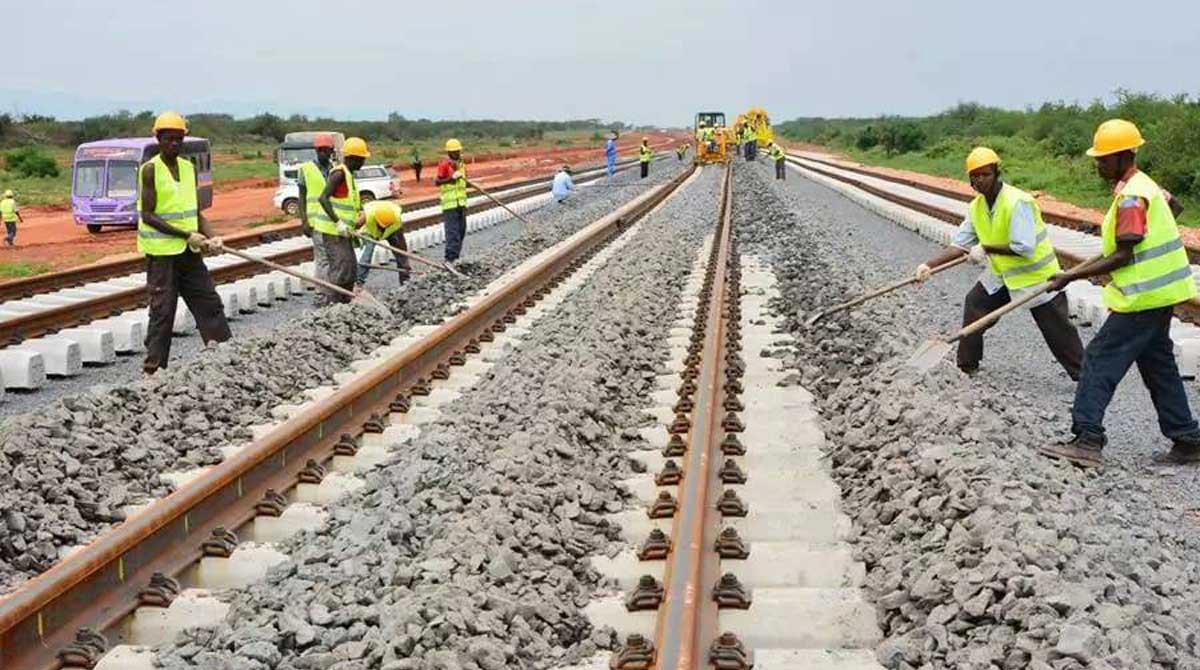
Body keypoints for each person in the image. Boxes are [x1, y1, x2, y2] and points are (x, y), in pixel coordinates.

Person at [1039, 120, 1200, 467]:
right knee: (1158, 365)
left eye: (1103, 159)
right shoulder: (1145, 186)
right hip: (1161, 294)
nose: (1098, 165)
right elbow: (1175, 208)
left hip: (1142, 297)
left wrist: (1071, 275)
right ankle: (1187, 439)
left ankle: (1087, 439)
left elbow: (1123, 254)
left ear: (1124, 156)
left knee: (1098, 360)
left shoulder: (1131, 197)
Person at [916, 147, 1083, 380]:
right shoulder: (977, 207)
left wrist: (986, 248)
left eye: (985, 174)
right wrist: (929, 266)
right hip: (1002, 275)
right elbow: (959, 245)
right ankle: (966, 367)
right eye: (975, 176)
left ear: (996, 173)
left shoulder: (1018, 202)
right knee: (975, 303)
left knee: (1058, 332)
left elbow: (1024, 247)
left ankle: (1085, 378)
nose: (980, 180)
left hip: (1037, 278)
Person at [137, 111, 231, 375]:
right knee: (163, 313)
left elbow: (195, 213)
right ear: (158, 139)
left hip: (189, 254)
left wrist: (212, 236)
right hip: (162, 255)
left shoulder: (189, 169)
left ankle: (225, 357)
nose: (174, 144)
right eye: (168, 139)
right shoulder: (150, 170)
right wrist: (186, 235)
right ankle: (153, 371)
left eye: (178, 139)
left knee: (209, 303)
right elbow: (147, 215)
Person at [305, 136, 368, 305]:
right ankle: (331, 305)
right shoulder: (339, 173)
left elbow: (349, 204)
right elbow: (323, 198)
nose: (363, 163)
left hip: (343, 232)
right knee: (341, 270)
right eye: (362, 159)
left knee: (350, 268)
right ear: (354, 158)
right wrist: (338, 223)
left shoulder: (348, 175)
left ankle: (345, 303)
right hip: (332, 231)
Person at [355, 199, 409, 288]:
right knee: (366, 256)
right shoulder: (367, 215)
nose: (382, 229)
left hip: (393, 231)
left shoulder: (396, 218)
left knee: (402, 255)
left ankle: (406, 281)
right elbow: (356, 224)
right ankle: (359, 282)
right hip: (372, 233)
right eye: (381, 227)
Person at [436, 138, 469, 267]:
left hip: (461, 203)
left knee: (461, 231)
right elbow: (437, 182)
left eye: (458, 151)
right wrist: (450, 179)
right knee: (453, 233)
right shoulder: (444, 164)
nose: (457, 153)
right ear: (449, 152)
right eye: (454, 151)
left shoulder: (461, 164)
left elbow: (464, 181)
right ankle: (450, 259)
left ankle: (456, 258)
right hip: (450, 205)